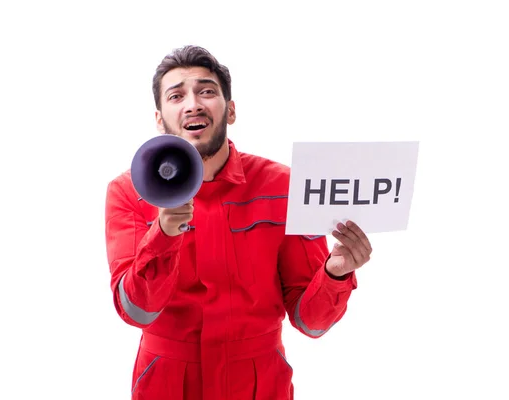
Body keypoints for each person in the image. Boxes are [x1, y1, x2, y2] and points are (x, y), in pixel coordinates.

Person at [105, 45, 372, 400]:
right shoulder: (131, 192)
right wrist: (164, 234)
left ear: (230, 110)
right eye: (177, 95)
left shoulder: (283, 187)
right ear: (159, 119)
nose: (193, 104)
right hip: (168, 383)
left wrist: (335, 273)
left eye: (207, 91)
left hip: (260, 383)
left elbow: (311, 322)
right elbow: (137, 310)